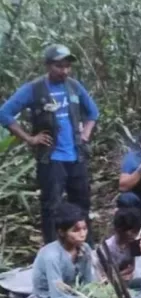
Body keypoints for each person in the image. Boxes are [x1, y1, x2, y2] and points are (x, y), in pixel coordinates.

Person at [0, 44, 100, 245]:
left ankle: (86, 248)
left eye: (67, 66)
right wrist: (29, 138)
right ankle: (54, 250)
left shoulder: (74, 86)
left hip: (76, 156)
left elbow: (93, 113)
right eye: (59, 66)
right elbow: (4, 113)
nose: (64, 71)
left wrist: (85, 134)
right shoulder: (34, 89)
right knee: (51, 207)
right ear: (48, 66)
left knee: (81, 204)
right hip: (51, 158)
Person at [32, 202, 94, 298]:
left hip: (78, 296)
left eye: (84, 229)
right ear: (61, 232)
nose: (82, 234)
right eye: (76, 230)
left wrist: (93, 295)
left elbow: (89, 281)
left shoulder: (85, 248)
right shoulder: (52, 256)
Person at [93, 207, 141, 289]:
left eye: (136, 231)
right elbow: (102, 280)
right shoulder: (107, 250)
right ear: (119, 230)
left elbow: (132, 268)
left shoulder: (135, 242)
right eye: (131, 232)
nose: (134, 235)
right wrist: (120, 276)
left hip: (131, 279)